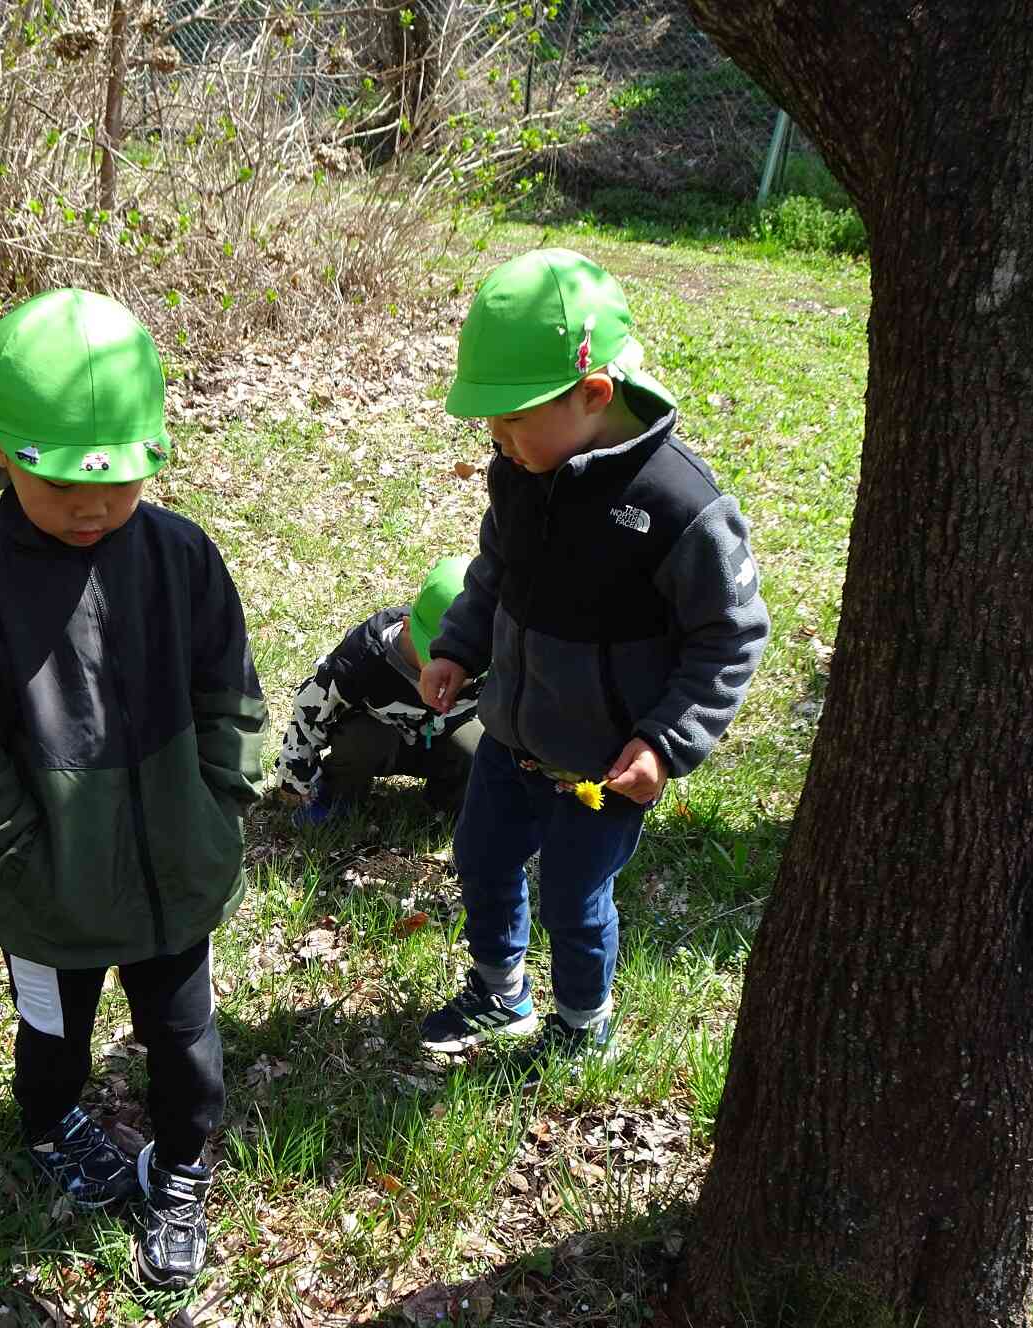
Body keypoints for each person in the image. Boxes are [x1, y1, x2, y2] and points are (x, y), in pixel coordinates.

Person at [0, 288, 265, 1288]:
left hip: (173, 871)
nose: (93, 506)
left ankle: (184, 1165)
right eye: (61, 483)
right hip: (48, 881)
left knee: (183, 1036)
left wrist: (221, 800)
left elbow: (226, 684)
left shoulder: (181, 557)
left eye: (119, 482)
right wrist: (11, 843)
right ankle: (54, 1119)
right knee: (52, 1029)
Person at [417, 249, 770, 1070]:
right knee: (482, 857)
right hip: (512, 734)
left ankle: (581, 1025)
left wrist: (666, 741)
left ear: (594, 395)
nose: (497, 443)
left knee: (577, 896)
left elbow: (732, 632)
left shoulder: (679, 503)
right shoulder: (522, 470)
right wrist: (461, 647)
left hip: (604, 762)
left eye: (513, 421)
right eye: (490, 425)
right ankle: (499, 990)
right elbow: (494, 573)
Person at [276, 556, 485, 823]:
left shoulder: (493, 662)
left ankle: (451, 805)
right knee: (361, 739)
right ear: (408, 627)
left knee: (478, 744)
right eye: (438, 661)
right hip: (383, 740)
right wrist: (295, 777)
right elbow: (311, 711)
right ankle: (340, 798)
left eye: (469, 672)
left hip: (441, 738)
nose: (453, 681)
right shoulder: (362, 660)